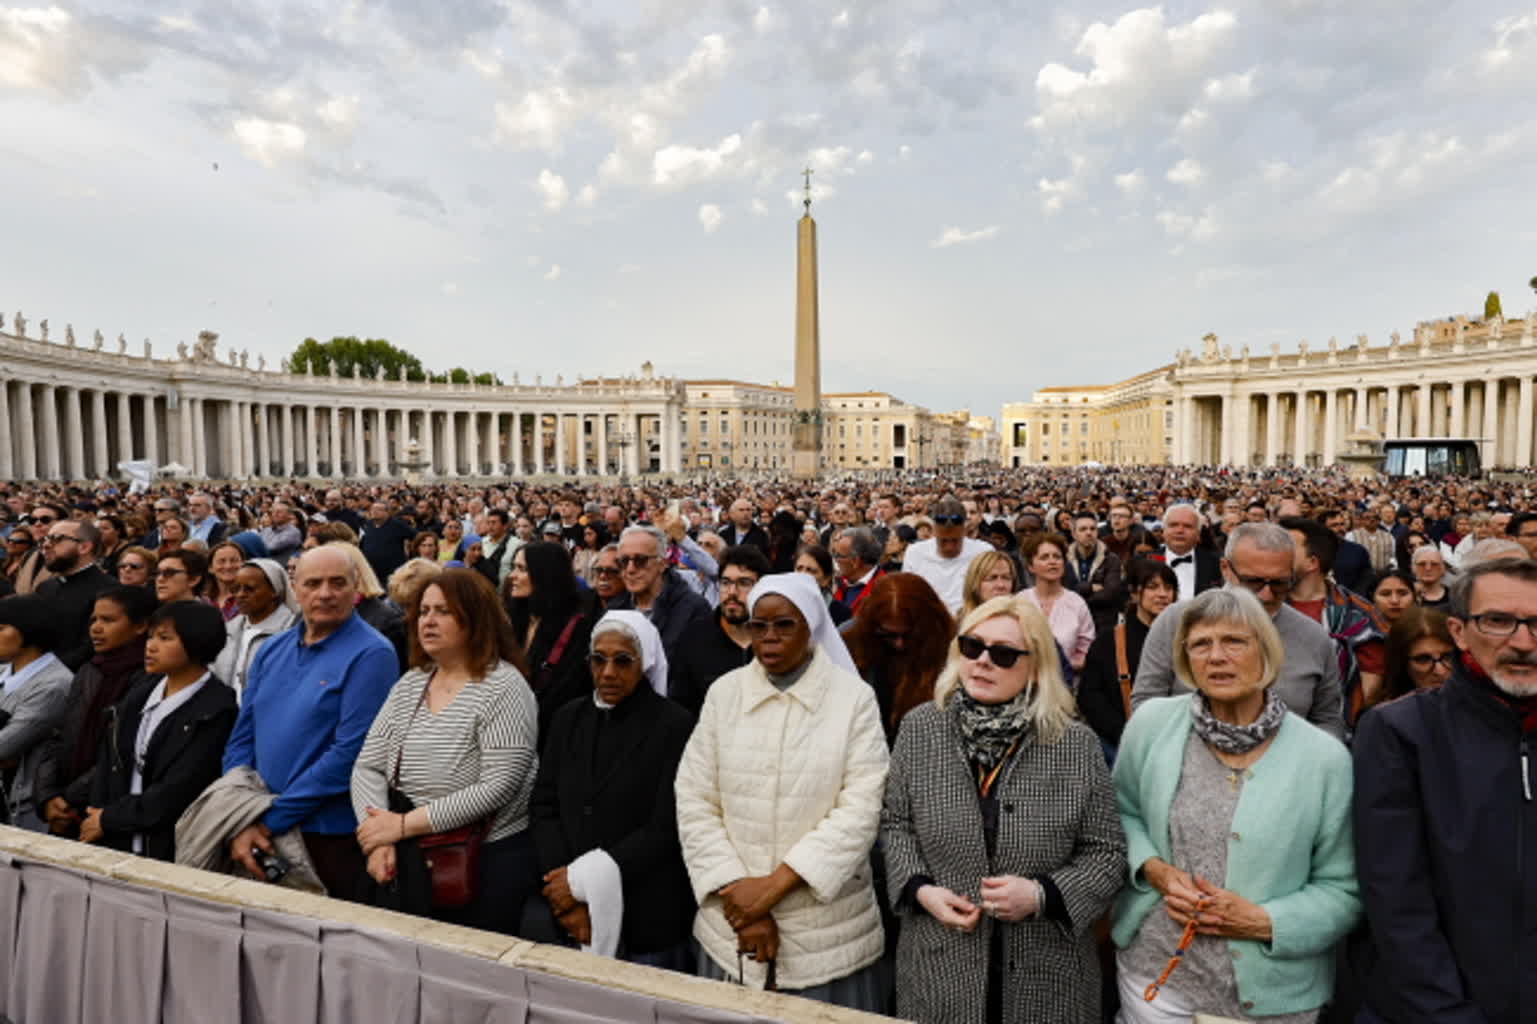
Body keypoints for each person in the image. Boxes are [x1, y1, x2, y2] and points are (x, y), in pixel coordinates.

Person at [1112, 588, 1360, 1022]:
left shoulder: (1324, 759)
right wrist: (1157, 870)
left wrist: (1262, 921)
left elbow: (1344, 889)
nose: (1216, 656)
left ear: (1265, 652)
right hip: (1156, 977)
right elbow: (1121, 813)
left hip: (1273, 995)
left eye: (1234, 642)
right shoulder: (1150, 726)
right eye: (1201, 644)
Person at [881, 594, 1126, 1024]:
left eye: (1004, 654)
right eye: (972, 647)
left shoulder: (1074, 745)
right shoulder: (921, 728)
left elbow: (1105, 853)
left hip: (1048, 973)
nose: (982, 662)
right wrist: (921, 890)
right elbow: (896, 824)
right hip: (940, 965)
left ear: (1037, 665)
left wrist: (1042, 895)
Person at [675, 572, 889, 1007]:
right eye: (759, 626)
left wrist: (773, 887)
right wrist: (739, 896)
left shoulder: (854, 700)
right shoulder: (725, 694)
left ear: (811, 626)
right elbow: (695, 796)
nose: (769, 638)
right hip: (731, 923)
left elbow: (861, 808)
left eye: (784, 625)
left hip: (826, 933)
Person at [1353, 557, 1537, 1024]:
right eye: (1498, 622)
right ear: (1458, 631)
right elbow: (1396, 901)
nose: (1523, 642)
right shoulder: (1400, 732)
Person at [350, 570, 540, 934]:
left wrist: (403, 825)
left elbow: (499, 785)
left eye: (444, 612)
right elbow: (368, 767)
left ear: (475, 618)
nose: (429, 621)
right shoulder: (413, 682)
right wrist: (377, 838)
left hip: (481, 862)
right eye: (423, 611)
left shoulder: (504, 687)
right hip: (406, 854)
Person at [221, 545, 399, 899]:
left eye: (338, 583)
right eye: (313, 584)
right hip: (257, 822)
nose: (325, 594)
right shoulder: (274, 648)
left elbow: (349, 753)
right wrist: (240, 807)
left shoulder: (372, 654)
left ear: (355, 588)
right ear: (295, 588)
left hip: (325, 834)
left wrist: (269, 820)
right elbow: (243, 735)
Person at [531, 611, 697, 968]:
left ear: (646, 662)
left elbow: (664, 827)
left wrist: (583, 882)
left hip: (647, 909)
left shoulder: (675, 725)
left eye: (623, 661)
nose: (608, 672)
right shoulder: (568, 717)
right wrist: (568, 895)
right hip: (568, 905)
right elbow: (545, 805)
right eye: (598, 659)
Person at [1133, 523, 1345, 739]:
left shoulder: (1314, 637)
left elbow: (1328, 721)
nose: (1266, 595)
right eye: (1253, 582)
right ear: (1225, 568)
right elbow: (1146, 706)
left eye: (1280, 584)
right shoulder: (1176, 621)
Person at [78, 601, 238, 861]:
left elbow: (179, 790)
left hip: (166, 848)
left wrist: (110, 818)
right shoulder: (140, 693)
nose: (150, 646)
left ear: (197, 642)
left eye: (165, 638)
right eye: (151, 636)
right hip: (115, 841)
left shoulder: (216, 709)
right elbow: (111, 763)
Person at [35, 586, 156, 837]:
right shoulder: (89, 670)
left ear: (140, 626)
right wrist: (47, 795)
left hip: (106, 812)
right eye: (94, 620)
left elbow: (121, 754)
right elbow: (59, 734)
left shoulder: (150, 679)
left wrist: (69, 800)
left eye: (108, 620)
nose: (96, 628)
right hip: (64, 805)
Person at [1281, 516, 1387, 721]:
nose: (1275, 553)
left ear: (1312, 562)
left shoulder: (1360, 618)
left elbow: (1367, 694)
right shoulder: (1262, 610)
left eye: (1287, 547)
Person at [844, 572, 956, 745]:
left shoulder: (951, 647)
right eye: (888, 635)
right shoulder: (849, 641)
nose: (899, 644)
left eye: (909, 635)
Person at [1078, 559, 1177, 753]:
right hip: (1122, 747)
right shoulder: (1108, 642)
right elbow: (1090, 696)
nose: (1163, 594)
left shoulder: (1187, 640)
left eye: (1168, 588)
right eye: (1153, 587)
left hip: (1174, 744)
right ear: (1134, 593)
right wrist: (1123, 733)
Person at [504, 541, 595, 748]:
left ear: (543, 574)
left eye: (521, 569)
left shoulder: (577, 627)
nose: (512, 576)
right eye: (513, 568)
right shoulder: (518, 619)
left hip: (550, 738)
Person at [0, 596, 75, 831]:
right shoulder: (4, 671)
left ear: (28, 631)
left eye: (1, 628)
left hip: (23, 807)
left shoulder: (54, 685)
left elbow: (4, 747)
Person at [609, 526, 711, 697]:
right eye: (623, 561)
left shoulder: (694, 609)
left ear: (662, 563)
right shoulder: (614, 610)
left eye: (640, 560)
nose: (630, 569)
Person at [671, 545, 772, 716]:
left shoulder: (775, 640)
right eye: (725, 583)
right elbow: (682, 709)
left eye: (744, 583)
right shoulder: (694, 638)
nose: (732, 592)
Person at [211, 558, 298, 703]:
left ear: (274, 591)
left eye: (249, 589)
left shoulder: (291, 631)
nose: (240, 595)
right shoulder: (228, 630)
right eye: (236, 588)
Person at [34, 517, 114, 670]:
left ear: (84, 547)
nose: (46, 545)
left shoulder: (108, 591)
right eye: (46, 539)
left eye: (56, 539)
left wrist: (47, 672)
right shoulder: (45, 587)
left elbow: (91, 648)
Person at [1019, 533, 1096, 677]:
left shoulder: (1076, 603)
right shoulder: (1020, 602)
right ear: (1030, 566)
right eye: (1044, 557)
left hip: (1066, 684)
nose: (1052, 561)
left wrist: (1063, 666)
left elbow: (1087, 650)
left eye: (1057, 556)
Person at [903, 496, 993, 614]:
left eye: (955, 540)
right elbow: (907, 596)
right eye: (944, 540)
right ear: (934, 530)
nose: (949, 546)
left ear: (964, 528)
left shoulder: (983, 552)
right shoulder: (915, 553)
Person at [1373, 606, 1455, 706]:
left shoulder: (1476, 706)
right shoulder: (1382, 718)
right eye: (1423, 659)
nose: (1440, 671)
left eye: (1448, 657)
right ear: (1402, 664)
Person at [1065, 511, 1125, 635]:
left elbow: (1110, 593)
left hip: (1102, 624)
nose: (1089, 533)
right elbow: (1063, 589)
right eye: (1083, 529)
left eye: (1093, 529)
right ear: (1073, 534)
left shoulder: (1111, 559)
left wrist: (1075, 595)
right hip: (1071, 623)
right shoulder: (1064, 558)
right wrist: (1089, 587)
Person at [1157, 503, 1221, 599]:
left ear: (1198, 534)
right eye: (1173, 525)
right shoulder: (1144, 561)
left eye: (1187, 526)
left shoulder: (1216, 563)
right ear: (1163, 531)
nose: (1180, 530)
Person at [794, 543, 852, 626]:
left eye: (810, 570)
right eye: (799, 568)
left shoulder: (840, 613)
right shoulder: (782, 607)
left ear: (826, 579)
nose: (803, 575)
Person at [831, 527, 886, 613]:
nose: (835, 560)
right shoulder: (837, 583)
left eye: (838, 555)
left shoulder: (884, 592)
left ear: (855, 561)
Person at [208, 540, 246, 620]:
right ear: (210, 568)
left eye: (234, 560)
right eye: (221, 561)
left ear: (243, 564)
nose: (228, 566)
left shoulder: (250, 599)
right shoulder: (202, 601)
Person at [1409, 545, 1451, 610]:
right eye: (1422, 564)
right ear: (1413, 568)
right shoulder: (1406, 596)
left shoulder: (1454, 596)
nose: (1428, 568)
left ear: (1443, 568)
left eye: (1434, 564)